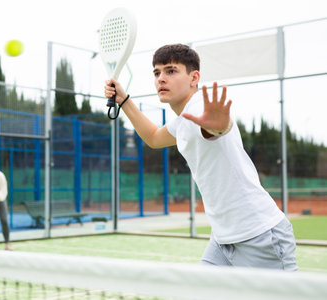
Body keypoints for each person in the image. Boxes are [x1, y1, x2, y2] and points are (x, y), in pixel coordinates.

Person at [104, 44, 297, 270]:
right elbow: (154, 138)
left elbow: (216, 129)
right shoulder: (183, 120)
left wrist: (217, 127)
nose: (161, 78)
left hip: (260, 235)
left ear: (194, 77)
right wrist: (124, 100)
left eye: (171, 71)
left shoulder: (200, 109)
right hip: (223, 238)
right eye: (157, 73)